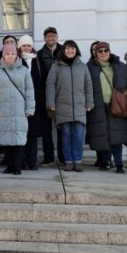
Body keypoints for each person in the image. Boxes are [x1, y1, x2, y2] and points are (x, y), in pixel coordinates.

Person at [46, 40, 94, 172]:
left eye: (72, 48)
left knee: (78, 135)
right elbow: (50, 85)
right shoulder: (56, 66)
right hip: (62, 106)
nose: (70, 51)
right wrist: (50, 103)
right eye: (67, 48)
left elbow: (88, 86)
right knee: (66, 135)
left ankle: (78, 161)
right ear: (63, 51)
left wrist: (89, 103)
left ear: (76, 50)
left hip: (79, 107)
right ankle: (68, 161)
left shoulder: (83, 67)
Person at [0, 43, 35, 176]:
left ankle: (17, 167)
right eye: (7, 53)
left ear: (16, 55)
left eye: (13, 53)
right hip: (3, 111)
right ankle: (9, 166)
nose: (10, 56)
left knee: (19, 140)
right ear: (3, 55)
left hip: (20, 111)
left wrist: (30, 109)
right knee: (6, 139)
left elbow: (30, 91)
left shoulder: (24, 71)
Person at [86, 41, 127, 173]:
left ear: (109, 51)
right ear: (95, 54)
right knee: (102, 135)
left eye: (106, 51)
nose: (103, 53)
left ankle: (119, 164)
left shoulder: (120, 66)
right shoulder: (89, 67)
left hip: (116, 105)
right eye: (100, 51)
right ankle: (105, 162)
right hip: (98, 106)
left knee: (116, 136)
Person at [18, 35, 45, 171]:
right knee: (21, 134)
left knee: (33, 135)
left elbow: (43, 81)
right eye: (24, 45)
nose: (27, 48)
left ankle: (32, 162)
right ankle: (21, 162)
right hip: (19, 102)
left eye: (29, 45)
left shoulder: (38, 60)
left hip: (36, 103)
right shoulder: (16, 60)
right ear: (20, 47)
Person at [37, 27, 62, 164]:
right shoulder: (39, 54)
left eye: (53, 36)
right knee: (46, 128)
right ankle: (48, 157)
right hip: (45, 95)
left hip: (61, 95)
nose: (50, 38)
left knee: (61, 127)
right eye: (48, 36)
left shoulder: (65, 51)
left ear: (57, 37)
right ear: (44, 38)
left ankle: (63, 157)